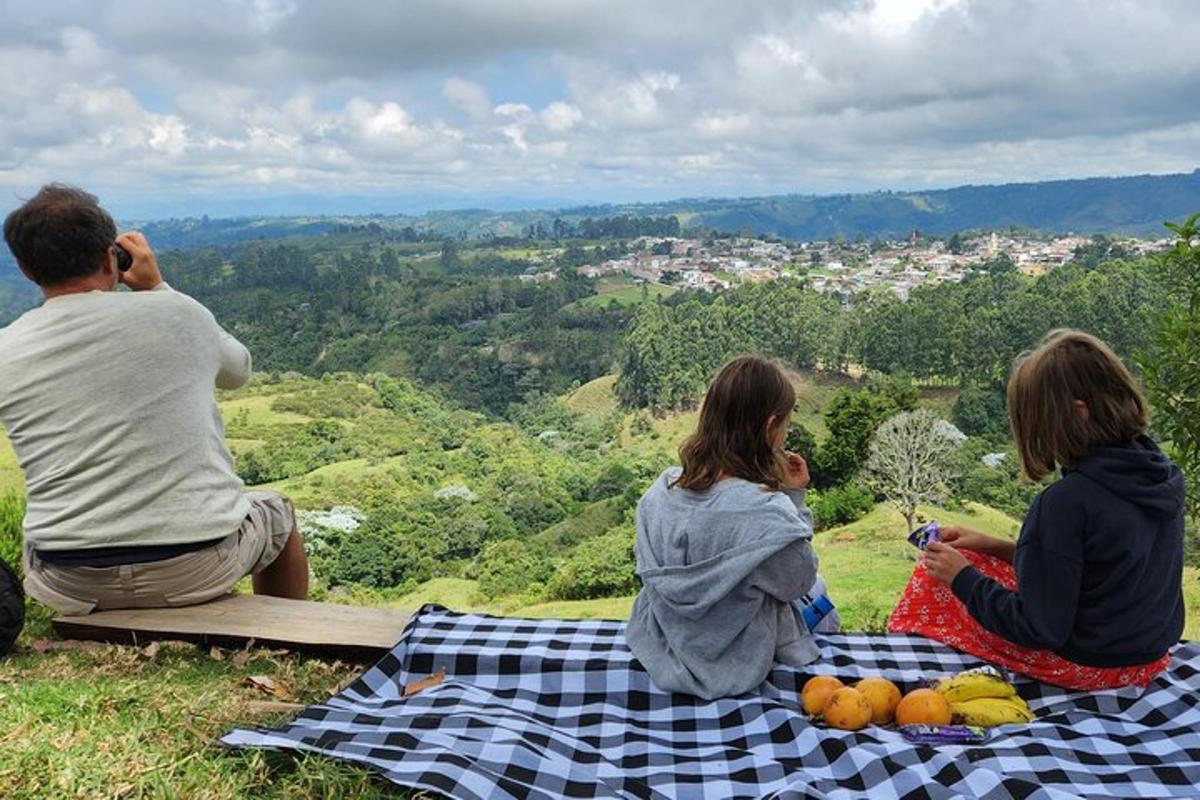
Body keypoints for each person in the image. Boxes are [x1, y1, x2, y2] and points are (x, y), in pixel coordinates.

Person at [0, 184, 308, 615]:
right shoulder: (180, 313)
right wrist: (157, 287)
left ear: (25, 269)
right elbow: (238, 372)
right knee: (278, 511)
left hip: (67, 579)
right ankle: (290, 634)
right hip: (196, 567)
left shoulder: (6, 346)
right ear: (113, 257)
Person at [892, 329, 1184, 689]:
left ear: (1078, 414)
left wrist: (962, 578)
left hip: (1091, 667)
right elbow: (1098, 571)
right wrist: (993, 545)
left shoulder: (1066, 502)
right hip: (1149, 659)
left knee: (933, 581)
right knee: (971, 560)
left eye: (1038, 423)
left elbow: (1039, 628)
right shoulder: (1162, 476)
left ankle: (915, 680)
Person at [625, 355, 839, 700]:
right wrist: (794, 497)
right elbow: (798, 581)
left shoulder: (660, 492)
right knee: (822, 595)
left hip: (661, 643)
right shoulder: (767, 512)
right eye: (786, 422)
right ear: (771, 427)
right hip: (736, 662)